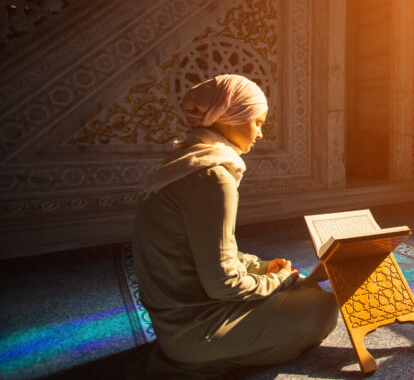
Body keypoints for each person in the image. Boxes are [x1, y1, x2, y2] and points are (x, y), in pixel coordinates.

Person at [125, 74, 338, 379]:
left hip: (173, 323)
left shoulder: (187, 160)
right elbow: (222, 283)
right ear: (230, 118)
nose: (261, 134)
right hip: (194, 334)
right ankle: (211, 359)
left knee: (300, 286)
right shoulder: (214, 176)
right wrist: (278, 281)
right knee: (322, 307)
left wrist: (262, 267)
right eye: (257, 123)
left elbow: (207, 253)